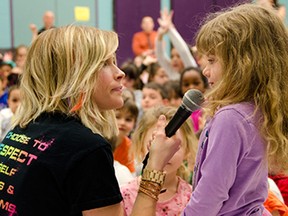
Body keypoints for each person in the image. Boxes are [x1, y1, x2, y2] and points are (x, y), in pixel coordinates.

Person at [0, 25, 181, 216]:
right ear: (75, 76)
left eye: (114, 62)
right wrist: (154, 168)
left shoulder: (21, 130)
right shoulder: (86, 148)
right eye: (104, 63)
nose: (120, 73)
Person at [182, 3, 288, 215]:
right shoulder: (258, 112)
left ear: (242, 64)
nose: (205, 70)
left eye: (212, 60)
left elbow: (209, 197)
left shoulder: (230, 118)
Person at [121, 106, 198, 215]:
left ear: (187, 150)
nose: (165, 153)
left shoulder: (193, 197)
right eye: (155, 143)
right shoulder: (124, 194)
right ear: (140, 145)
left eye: (174, 146)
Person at [155, 8, 198, 81]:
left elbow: (183, 51)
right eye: (172, 56)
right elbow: (160, 57)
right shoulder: (172, 73)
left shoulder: (191, 68)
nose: (174, 59)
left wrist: (170, 30)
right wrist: (160, 36)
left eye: (178, 56)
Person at [114, 98, 139, 173]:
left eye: (128, 119)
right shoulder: (98, 140)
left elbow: (129, 175)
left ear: (134, 124)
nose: (122, 123)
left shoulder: (130, 147)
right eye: (117, 117)